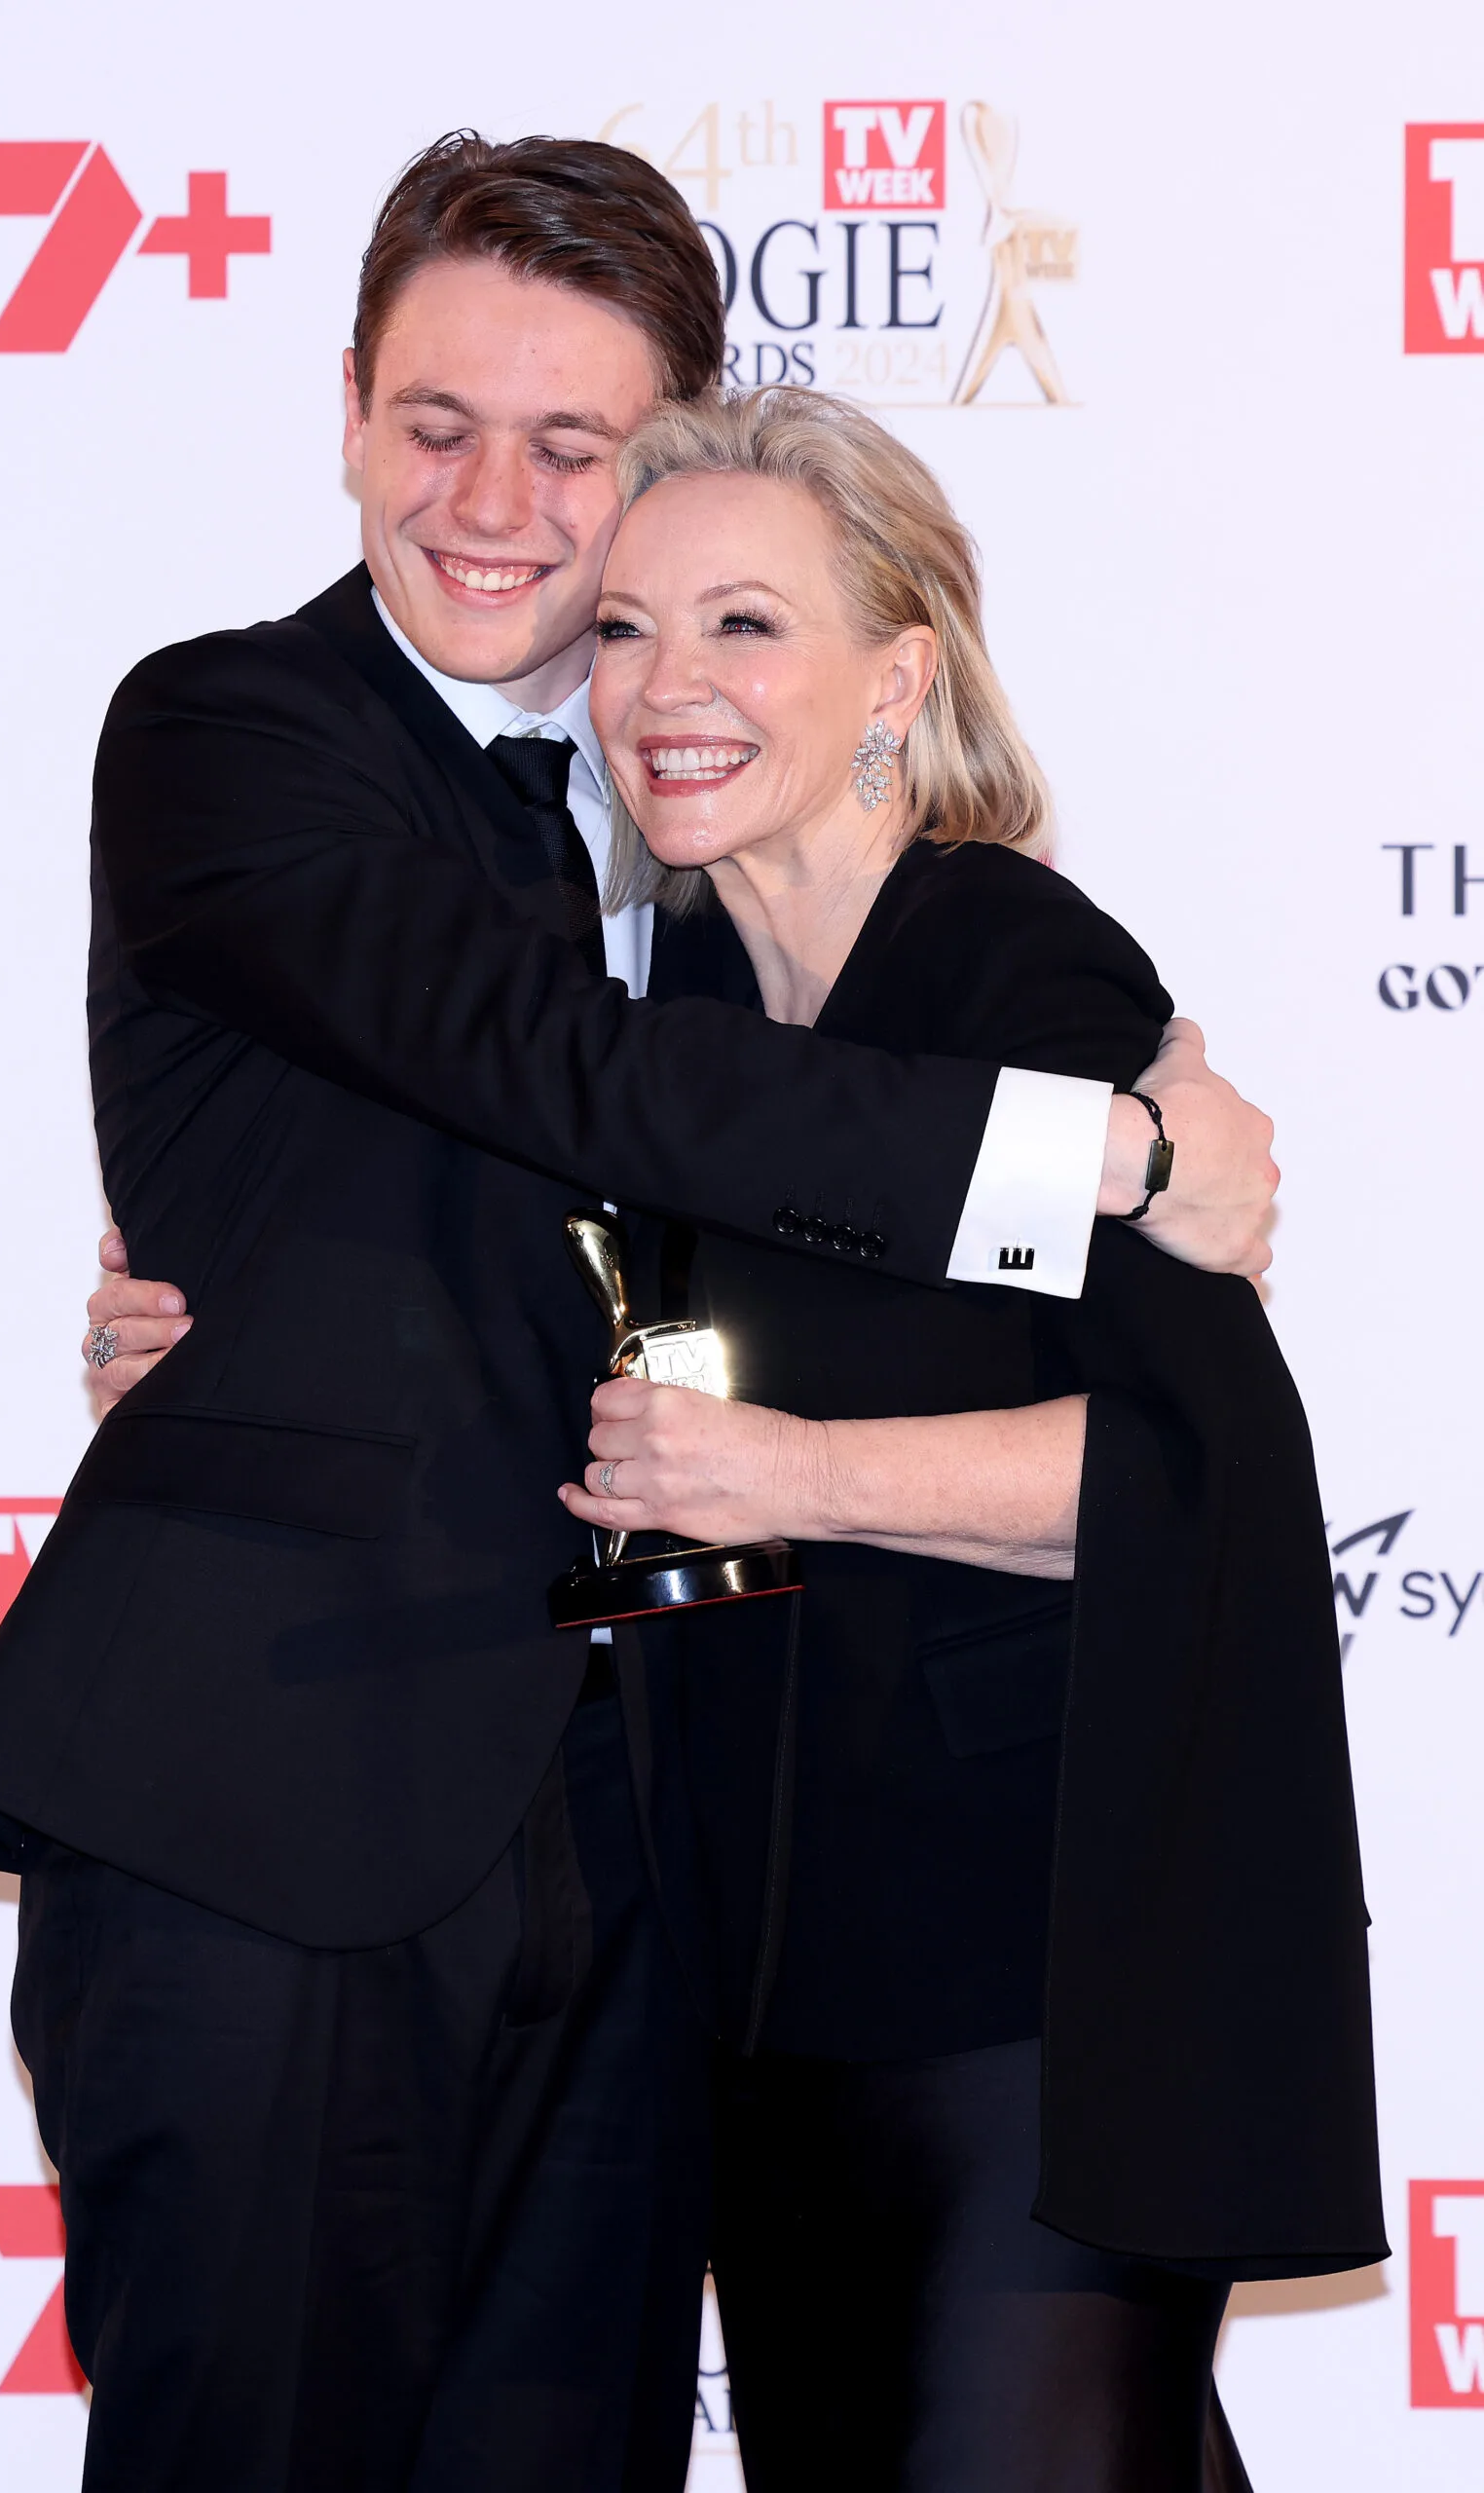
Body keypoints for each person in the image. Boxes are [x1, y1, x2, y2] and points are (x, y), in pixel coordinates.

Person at [0, 131, 1278, 2493]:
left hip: (664, 1891)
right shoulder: (235, 736)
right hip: (272, 1811)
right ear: (345, 407)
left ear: (658, 462)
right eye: (433, 422)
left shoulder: (708, 839)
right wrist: (1099, 1153)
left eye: (570, 447)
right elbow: (553, 1072)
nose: (490, 498)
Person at [540, 387, 1384, 2489]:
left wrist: (802, 1476)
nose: (667, 690)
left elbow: (1195, 1472)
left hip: (1032, 1987)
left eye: (742, 626)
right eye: (626, 632)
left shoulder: (1012, 967)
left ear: (891, 676)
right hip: (748, 1989)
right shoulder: (656, 1030)